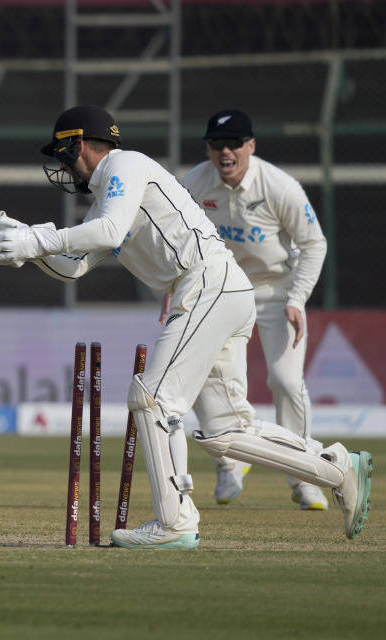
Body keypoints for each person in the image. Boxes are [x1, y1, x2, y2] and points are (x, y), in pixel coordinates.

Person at [0, 105, 371, 549]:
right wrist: (28, 247)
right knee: (227, 430)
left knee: (151, 398)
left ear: (82, 144)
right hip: (219, 290)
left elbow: (109, 233)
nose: (63, 164)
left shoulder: (124, 165)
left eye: (64, 153)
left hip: (207, 283)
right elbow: (74, 266)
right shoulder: (107, 198)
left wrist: (37, 239)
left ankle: (175, 522)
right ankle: (338, 468)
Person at [170, 109, 329, 510]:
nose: (225, 152)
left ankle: (305, 475)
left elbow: (313, 244)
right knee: (212, 379)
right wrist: (173, 289)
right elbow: (174, 239)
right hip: (220, 290)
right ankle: (229, 463)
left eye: (234, 144)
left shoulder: (279, 186)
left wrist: (297, 299)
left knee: (286, 381)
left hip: (276, 292)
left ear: (250, 146)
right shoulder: (192, 184)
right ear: (207, 148)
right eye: (217, 145)